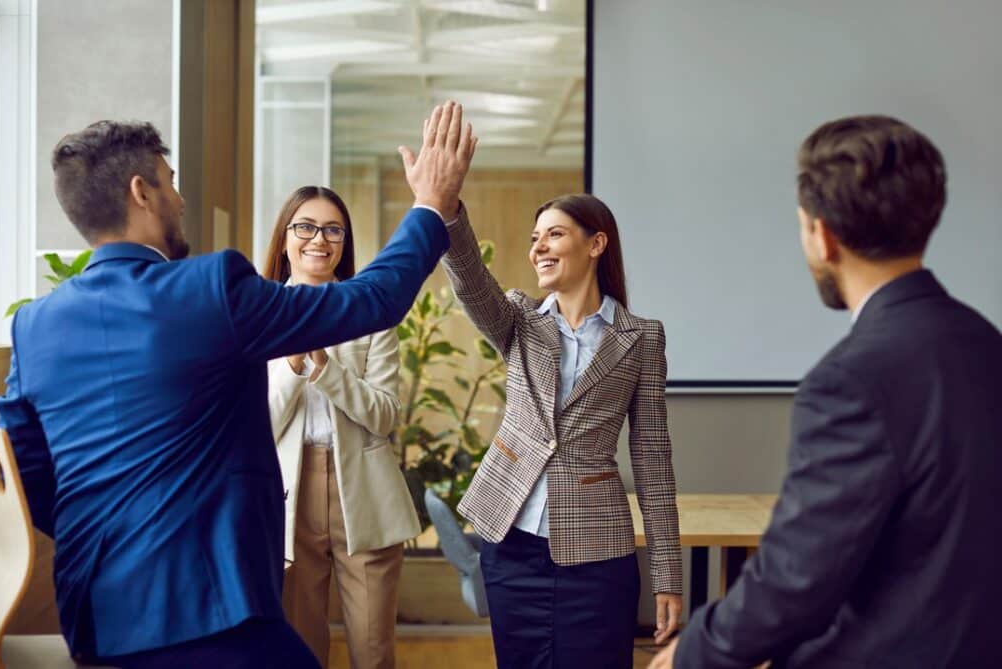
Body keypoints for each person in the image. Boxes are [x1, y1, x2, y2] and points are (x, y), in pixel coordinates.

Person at [0, 102, 476, 668]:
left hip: (95, 617)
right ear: (141, 192)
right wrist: (430, 204)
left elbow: (27, 471)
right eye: (171, 183)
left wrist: (111, 533)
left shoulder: (34, 325)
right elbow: (373, 299)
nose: (180, 199)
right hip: (211, 612)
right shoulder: (210, 289)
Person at [649, 115, 1002, 669]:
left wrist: (690, 653)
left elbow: (796, 580)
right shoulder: (987, 343)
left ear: (823, 235)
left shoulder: (850, 380)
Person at [408, 173, 682, 666]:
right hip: (510, 542)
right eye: (535, 238)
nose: (539, 248)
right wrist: (446, 207)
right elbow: (470, 278)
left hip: (597, 551)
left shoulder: (642, 339)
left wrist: (667, 575)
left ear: (596, 243)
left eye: (554, 234)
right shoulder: (518, 320)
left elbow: (653, 463)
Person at [262, 185, 420, 668]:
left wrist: (328, 371)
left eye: (333, 229)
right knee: (300, 650)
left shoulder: (369, 313)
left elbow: (386, 416)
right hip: (287, 495)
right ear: (285, 237)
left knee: (373, 651)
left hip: (364, 493)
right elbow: (256, 427)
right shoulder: (259, 314)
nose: (319, 239)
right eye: (305, 227)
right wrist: (292, 367)